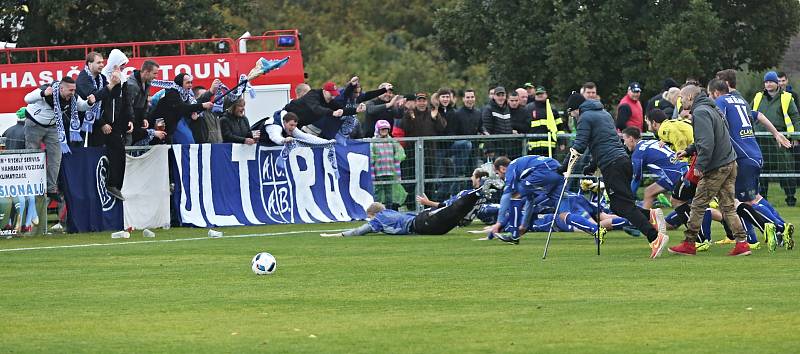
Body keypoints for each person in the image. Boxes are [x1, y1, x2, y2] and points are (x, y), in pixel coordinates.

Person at [562, 93, 669, 258]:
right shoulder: (603, 114)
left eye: (571, 113)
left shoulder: (585, 117)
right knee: (619, 206)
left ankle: (654, 237)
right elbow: (602, 142)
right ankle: (651, 215)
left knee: (624, 207)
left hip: (612, 165)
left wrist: (564, 167)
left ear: (575, 109)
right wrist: (591, 166)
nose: (572, 117)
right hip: (622, 161)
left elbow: (580, 145)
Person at [708, 79, 794, 250]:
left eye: (709, 94)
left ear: (716, 92)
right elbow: (759, 115)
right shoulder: (740, 100)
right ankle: (757, 236)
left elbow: (720, 122)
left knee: (743, 201)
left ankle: (778, 228)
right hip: (753, 153)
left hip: (742, 157)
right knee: (749, 198)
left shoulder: (721, 101)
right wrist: (776, 134)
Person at [669, 85, 750, 256]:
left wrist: (699, 166)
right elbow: (714, 137)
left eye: (681, 97)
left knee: (698, 205)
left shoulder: (700, 112)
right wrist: (689, 150)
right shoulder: (712, 108)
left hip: (716, 167)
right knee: (728, 207)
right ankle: (742, 243)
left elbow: (707, 143)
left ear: (690, 96)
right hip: (729, 162)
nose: (680, 100)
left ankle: (689, 243)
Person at [24, 77, 94, 201]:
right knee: (32, 156)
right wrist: (43, 94)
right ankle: (32, 186)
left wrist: (89, 102)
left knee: (56, 157)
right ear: (61, 88)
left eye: (74, 90)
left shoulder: (72, 97)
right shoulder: (47, 89)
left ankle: (51, 189)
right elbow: (27, 98)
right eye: (70, 90)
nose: (73, 93)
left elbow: (82, 106)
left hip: (53, 127)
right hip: (34, 124)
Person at [320, 188, 483, 237]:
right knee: (453, 214)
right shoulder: (389, 212)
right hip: (424, 221)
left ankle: (478, 193)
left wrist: (335, 235)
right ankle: (478, 196)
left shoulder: (379, 219)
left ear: (372, 215)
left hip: (422, 224)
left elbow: (358, 231)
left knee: (452, 211)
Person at [77, 51, 127, 200]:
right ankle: (93, 188)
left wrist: (117, 82)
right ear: (89, 64)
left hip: (101, 123)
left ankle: (113, 185)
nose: (102, 65)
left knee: (119, 149)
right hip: (86, 126)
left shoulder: (101, 78)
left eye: (102, 62)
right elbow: (92, 100)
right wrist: (111, 85)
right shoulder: (82, 79)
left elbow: (111, 96)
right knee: (95, 156)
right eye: (98, 62)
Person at [751, 71, 800, 206]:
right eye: (766, 82)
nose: (768, 84)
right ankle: (762, 200)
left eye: (771, 81)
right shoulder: (758, 97)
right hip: (760, 140)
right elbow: (749, 114)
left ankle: (790, 199)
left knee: (786, 169)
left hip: (780, 139)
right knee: (761, 171)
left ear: (777, 83)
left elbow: (795, 117)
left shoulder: (787, 97)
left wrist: (796, 137)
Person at [622, 127, 688, 209]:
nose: (624, 143)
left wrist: (627, 199)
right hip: (682, 168)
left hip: (673, 174)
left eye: (624, 140)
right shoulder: (652, 141)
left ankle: (644, 220)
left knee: (679, 203)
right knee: (649, 192)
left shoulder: (638, 154)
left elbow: (637, 179)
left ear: (631, 139)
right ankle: (646, 220)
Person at [148, 73, 213, 144]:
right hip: (158, 126)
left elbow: (186, 109)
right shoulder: (172, 92)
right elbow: (182, 107)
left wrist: (191, 114)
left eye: (191, 82)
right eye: (188, 83)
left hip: (170, 127)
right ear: (180, 83)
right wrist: (202, 106)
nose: (190, 85)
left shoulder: (185, 95)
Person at [283, 81, 356, 136]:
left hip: (297, 126)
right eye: (331, 94)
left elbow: (341, 106)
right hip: (284, 120)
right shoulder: (313, 95)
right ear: (324, 91)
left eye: (334, 95)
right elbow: (316, 109)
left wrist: (356, 110)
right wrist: (332, 113)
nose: (333, 97)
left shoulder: (328, 101)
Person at [124, 60, 167, 146]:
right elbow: (128, 106)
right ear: (147, 72)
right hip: (130, 120)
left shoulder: (147, 82)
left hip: (138, 117)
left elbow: (145, 101)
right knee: (130, 143)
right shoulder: (132, 85)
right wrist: (131, 120)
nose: (156, 76)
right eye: (155, 73)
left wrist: (144, 117)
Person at [371, 120, 406, 211]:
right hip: (378, 172)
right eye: (382, 129)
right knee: (378, 192)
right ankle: (377, 210)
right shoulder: (373, 142)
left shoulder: (392, 141)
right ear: (377, 130)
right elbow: (371, 156)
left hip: (390, 171)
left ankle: (389, 210)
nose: (384, 131)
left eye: (386, 130)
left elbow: (399, 153)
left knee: (389, 192)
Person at [526, 86, 566, 157]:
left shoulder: (552, 109)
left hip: (550, 146)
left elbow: (559, 127)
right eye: (538, 94)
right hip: (533, 147)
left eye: (542, 93)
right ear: (535, 95)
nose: (540, 95)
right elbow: (525, 126)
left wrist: (561, 142)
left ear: (546, 95)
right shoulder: (529, 108)